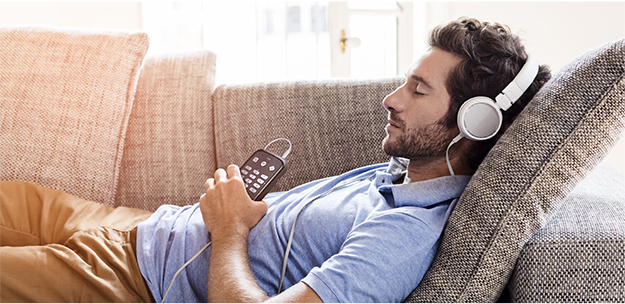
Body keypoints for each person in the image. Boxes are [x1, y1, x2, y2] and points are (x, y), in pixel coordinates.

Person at [0, 17, 551, 303]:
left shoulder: (401, 238)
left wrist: (230, 229)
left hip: (131, 278)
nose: (391, 99)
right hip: (138, 225)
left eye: (417, 90)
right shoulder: (398, 176)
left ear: (472, 122)